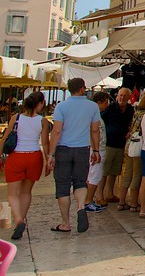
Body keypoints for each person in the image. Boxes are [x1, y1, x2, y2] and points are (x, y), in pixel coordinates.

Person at [47, 78, 101, 233]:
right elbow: (95, 130)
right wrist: (96, 150)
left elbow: (56, 131)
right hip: (83, 149)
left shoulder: (61, 106)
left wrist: (50, 154)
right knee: (80, 182)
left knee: (63, 186)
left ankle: (65, 223)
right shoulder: (93, 106)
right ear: (83, 88)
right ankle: (80, 207)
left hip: (63, 149)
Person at [0, 92, 51, 239]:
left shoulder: (16, 118)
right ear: (40, 103)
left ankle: (18, 220)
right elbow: (45, 143)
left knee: (12, 193)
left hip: (17, 157)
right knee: (26, 192)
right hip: (34, 156)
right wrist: (48, 160)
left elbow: (4, 139)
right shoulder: (43, 121)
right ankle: (21, 219)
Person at [116, 92, 145, 212]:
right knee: (137, 174)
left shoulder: (136, 112)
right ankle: (134, 203)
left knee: (126, 173)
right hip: (139, 146)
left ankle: (121, 202)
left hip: (129, 144)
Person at [100, 87, 134, 202]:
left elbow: (131, 123)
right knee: (104, 171)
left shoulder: (130, 110)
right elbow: (101, 121)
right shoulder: (110, 109)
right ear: (116, 96)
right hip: (109, 143)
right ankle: (100, 195)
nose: (122, 98)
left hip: (121, 144)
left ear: (129, 97)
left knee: (114, 171)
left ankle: (110, 194)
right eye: (120, 95)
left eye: (124, 96)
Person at [83, 92, 110, 213]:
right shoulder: (95, 117)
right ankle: (88, 201)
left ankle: (88, 200)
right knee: (95, 175)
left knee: (93, 175)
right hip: (97, 150)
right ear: (99, 103)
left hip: (96, 149)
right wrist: (96, 151)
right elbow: (94, 134)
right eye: (105, 102)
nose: (107, 105)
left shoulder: (94, 115)